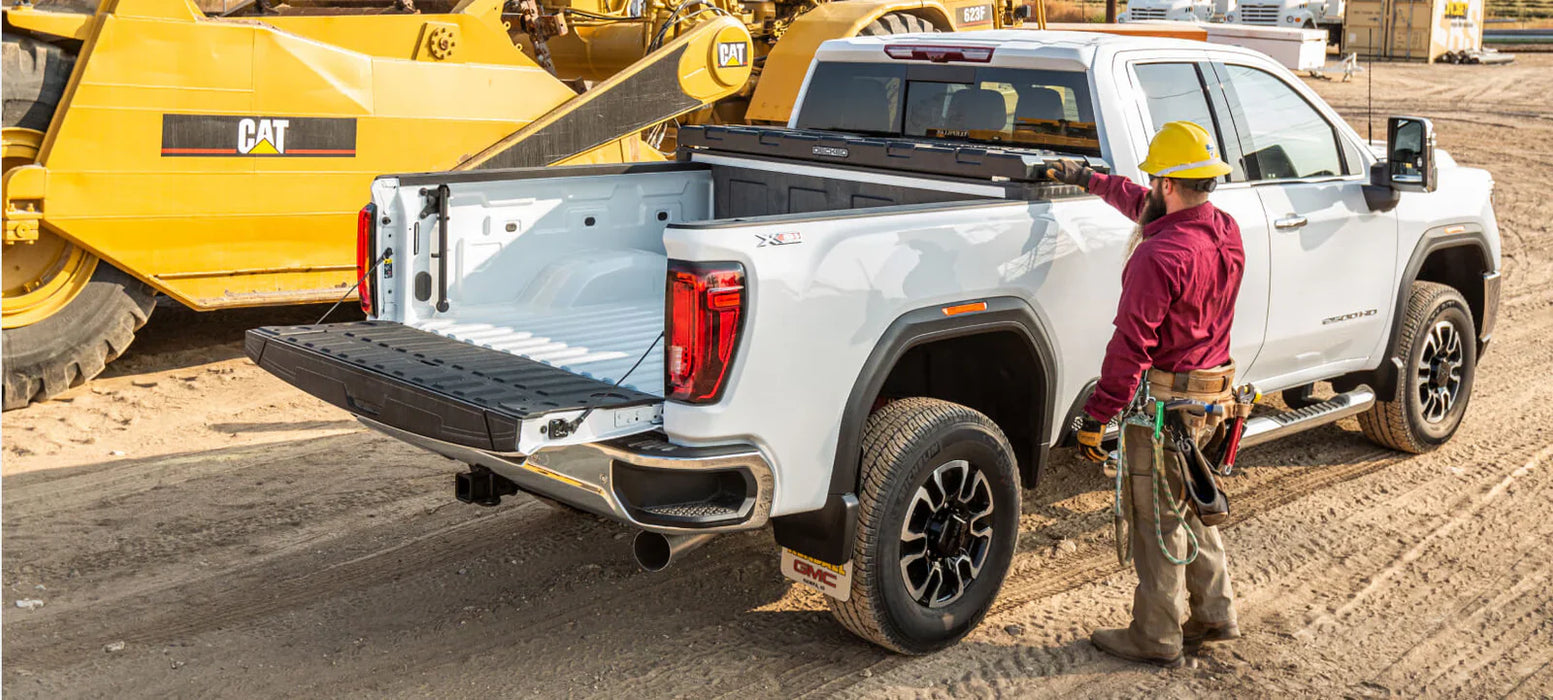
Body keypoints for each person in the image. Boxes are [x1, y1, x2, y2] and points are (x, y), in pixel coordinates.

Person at [1047, 121, 1246, 668]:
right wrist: (1091, 180)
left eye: (1155, 179)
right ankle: (1215, 611)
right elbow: (1147, 205)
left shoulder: (1159, 258)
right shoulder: (1224, 229)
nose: (1151, 186)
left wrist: (1097, 415)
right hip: (1210, 398)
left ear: (1168, 182)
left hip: (1165, 405)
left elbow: (1130, 346)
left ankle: (1156, 634)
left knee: (1157, 518)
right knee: (1188, 503)